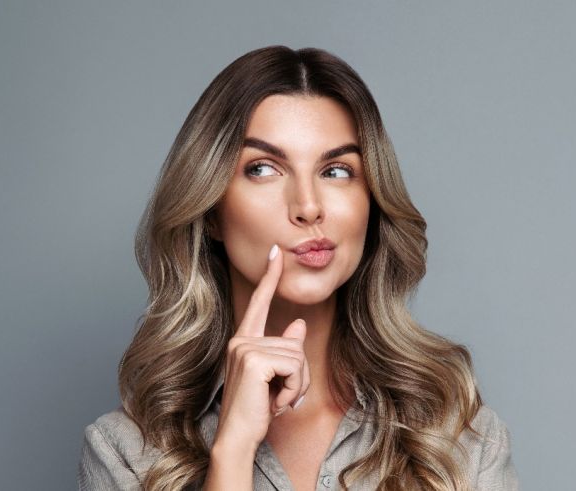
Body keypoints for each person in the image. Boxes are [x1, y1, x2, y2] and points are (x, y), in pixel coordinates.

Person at [78, 45, 518, 490]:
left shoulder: (459, 439)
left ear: (371, 200)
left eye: (337, 170)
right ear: (210, 209)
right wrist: (232, 451)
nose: (308, 207)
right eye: (264, 168)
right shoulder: (127, 452)